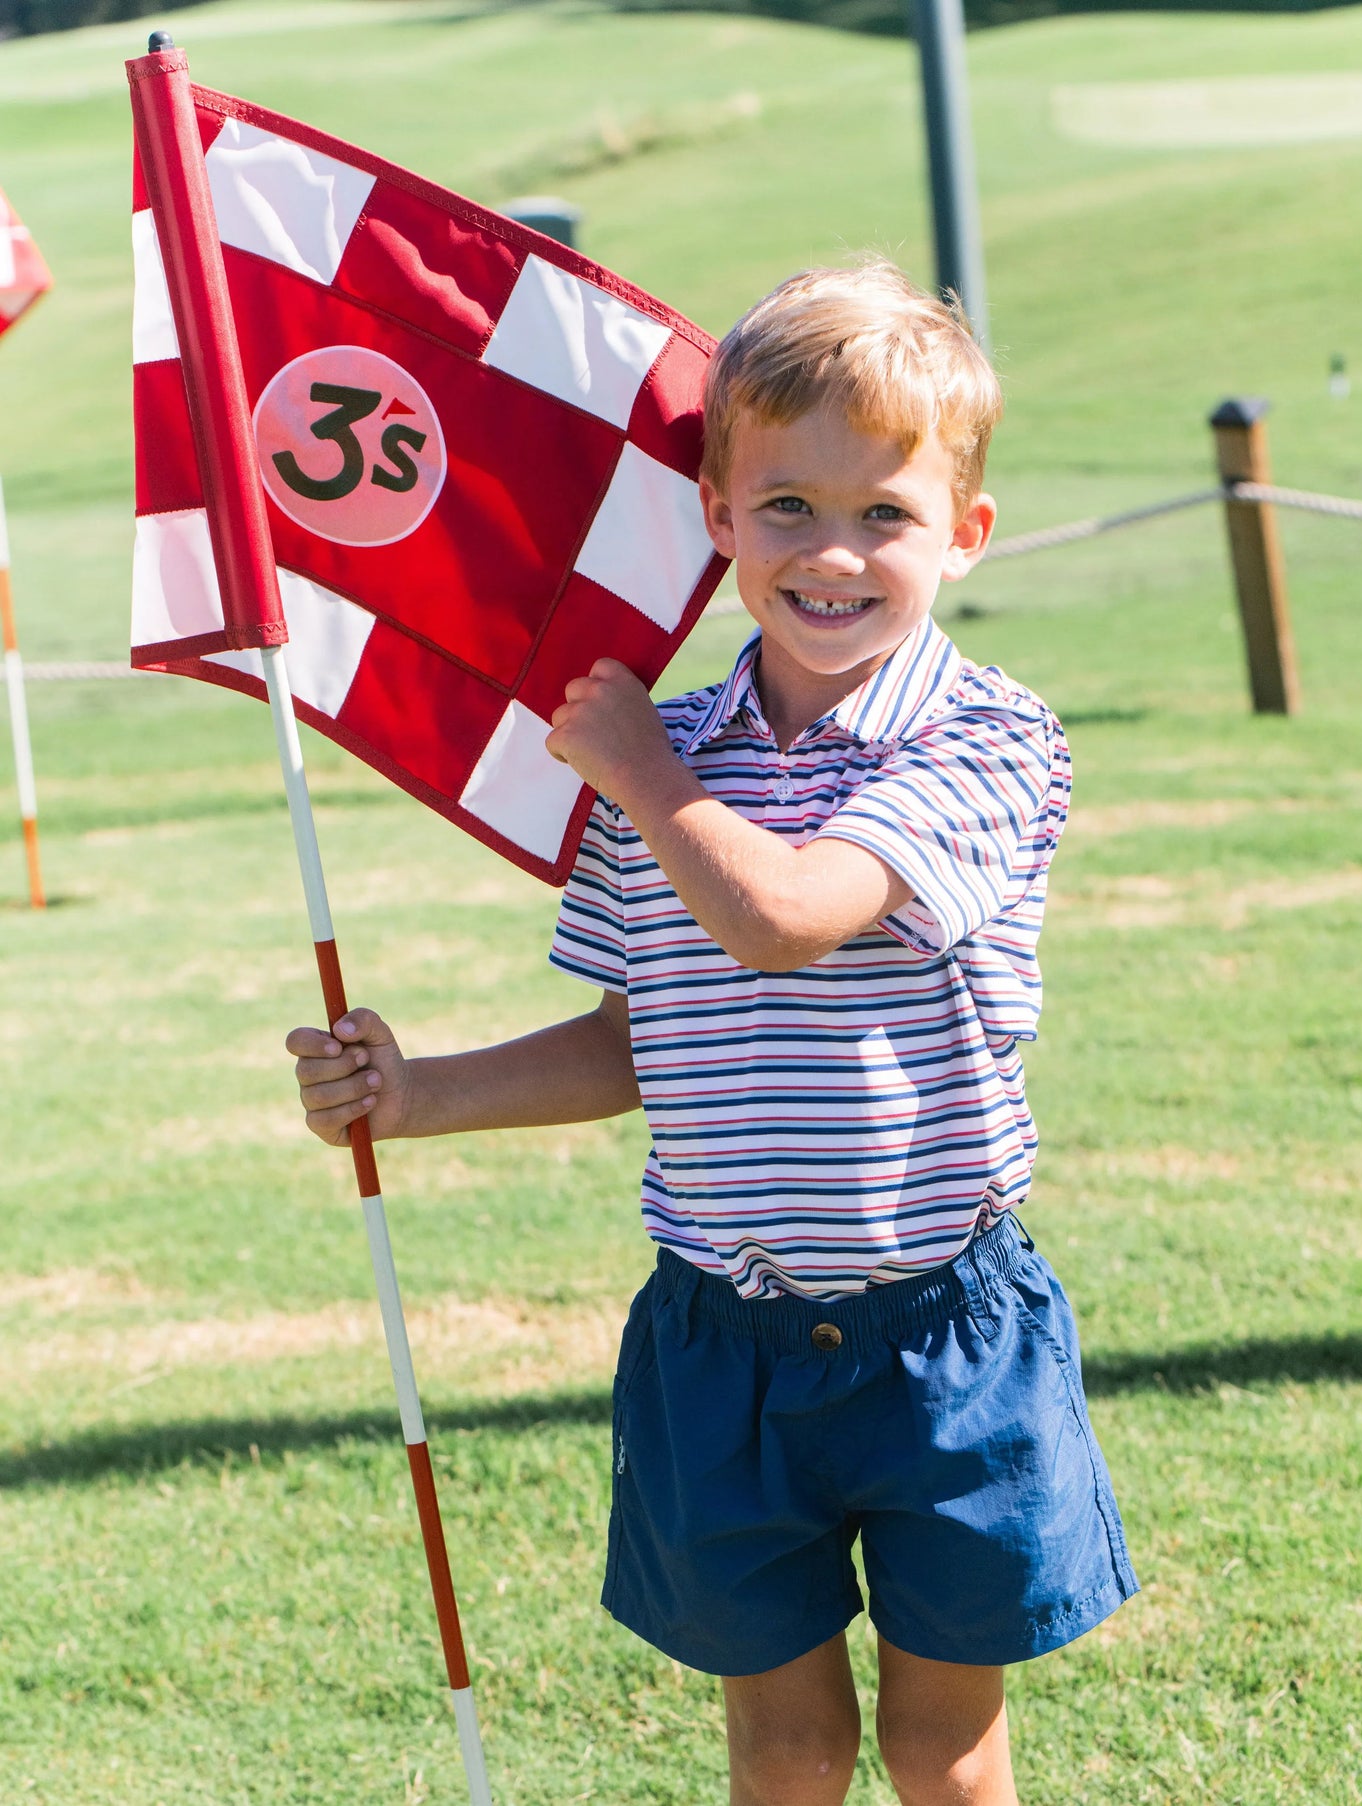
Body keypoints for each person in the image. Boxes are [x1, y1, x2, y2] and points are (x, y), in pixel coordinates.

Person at [287, 260, 1137, 1806]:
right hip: (717, 1339)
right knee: (785, 1746)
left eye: (883, 512)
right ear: (716, 517)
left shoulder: (991, 738)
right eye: (787, 506)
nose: (832, 552)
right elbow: (641, 1033)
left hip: (939, 1329)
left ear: (963, 532)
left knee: (942, 1749)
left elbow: (788, 915)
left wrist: (639, 774)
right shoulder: (665, 749)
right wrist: (413, 1096)